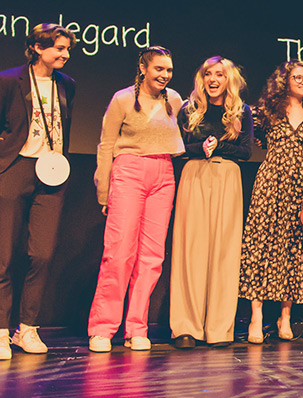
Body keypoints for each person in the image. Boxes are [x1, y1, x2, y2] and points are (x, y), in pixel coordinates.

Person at [88, 46, 184, 352]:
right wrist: (104, 189)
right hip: (129, 170)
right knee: (119, 253)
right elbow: (106, 145)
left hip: (164, 173)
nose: (165, 75)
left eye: (169, 70)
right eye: (159, 69)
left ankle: (136, 328)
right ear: (144, 68)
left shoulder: (175, 100)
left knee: (152, 256)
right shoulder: (123, 99)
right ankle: (102, 328)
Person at [0, 24, 77, 360]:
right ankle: (1, 330)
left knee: (42, 254)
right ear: (35, 47)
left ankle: (26, 328)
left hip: (52, 173)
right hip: (15, 167)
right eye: (58, 48)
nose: (64, 55)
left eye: (67, 49)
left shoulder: (67, 86)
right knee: (3, 255)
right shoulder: (7, 80)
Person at [240, 60, 303, 344]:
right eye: (298, 77)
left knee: (292, 249)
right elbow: (249, 138)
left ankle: (285, 316)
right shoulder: (266, 111)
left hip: (299, 188)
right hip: (269, 183)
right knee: (261, 246)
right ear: (284, 81)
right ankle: (256, 316)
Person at [169, 56, 253, 349]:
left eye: (219, 74)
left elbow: (246, 151)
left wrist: (221, 146)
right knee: (190, 251)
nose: (213, 79)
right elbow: (177, 148)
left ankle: (219, 328)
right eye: (208, 74)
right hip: (195, 174)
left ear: (229, 79)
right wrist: (199, 148)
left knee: (224, 252)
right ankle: (186, 327)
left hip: (228, 177)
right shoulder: (189, 109)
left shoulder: (241, 111)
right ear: (201, 78)